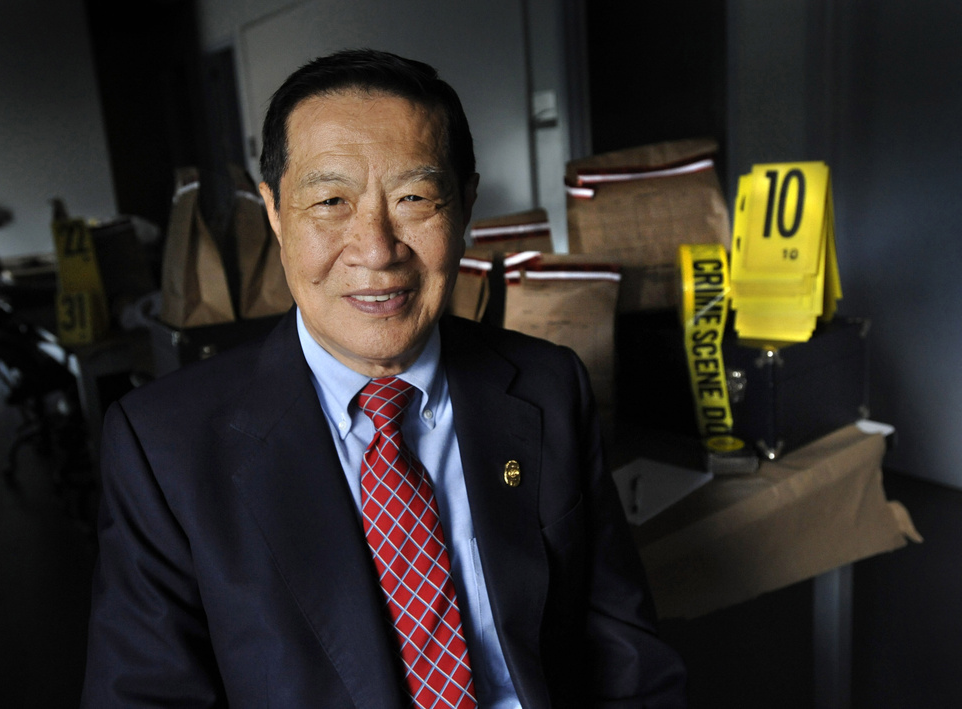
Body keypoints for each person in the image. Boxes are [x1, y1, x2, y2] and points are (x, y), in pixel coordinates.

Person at [81, 48, 686, 708]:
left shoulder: (546, 385)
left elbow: (623, 652)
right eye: (331, 200)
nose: (376, 249)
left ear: (465, 209)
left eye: (415, 198)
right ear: (276, 214)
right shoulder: (163, 445)